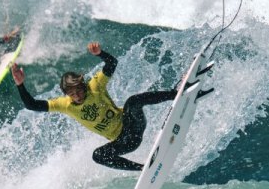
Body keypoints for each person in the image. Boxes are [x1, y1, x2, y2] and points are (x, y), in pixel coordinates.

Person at [11, 42, 177, 171]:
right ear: (67, 94)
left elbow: (112, 63)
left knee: (132, 101)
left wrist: (100, 54)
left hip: (132, 124)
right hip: (124, 142)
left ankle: (175, 94)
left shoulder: (95, 87)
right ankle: (143, 168)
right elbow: (32, 105)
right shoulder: (65, 105)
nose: (77, 96)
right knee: (98, 155)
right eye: (72, 93)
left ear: (83, 85)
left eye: (79, 91)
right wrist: (20, 84)